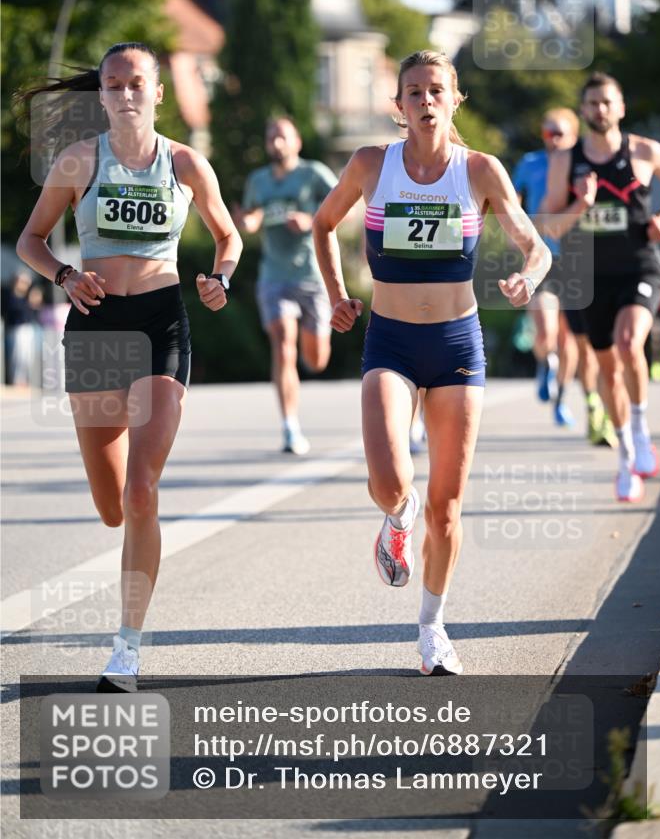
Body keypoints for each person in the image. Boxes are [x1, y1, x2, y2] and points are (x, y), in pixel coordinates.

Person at [313, 50, 551, 675]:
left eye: (435, 91)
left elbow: (536, 246)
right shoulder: (371, 165)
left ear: (455, 100)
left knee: (447, 506)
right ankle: (396, 514)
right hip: (389, 340)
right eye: (413, 92)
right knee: (391, 480)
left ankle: (432, 627)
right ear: (398, 105)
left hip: (456, 345)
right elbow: (322, 226)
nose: (424, 101)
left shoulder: (479, 170)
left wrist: (528, 277)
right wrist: (339, 296)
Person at [16, 41, 242, 690]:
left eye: (136, 82)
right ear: (103, 95)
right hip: (95, 330)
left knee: (143, 489)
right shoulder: (79, 160)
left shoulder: (187, 163)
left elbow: (228, 236)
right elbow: (30, 240)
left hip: (160, 322)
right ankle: (125, 599)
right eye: (113, 84)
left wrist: (221, 279)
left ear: (158, 90)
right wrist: (62, 274)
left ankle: (127, 646)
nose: (124, 93)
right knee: (112, 505)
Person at [541, 72, 660, 502]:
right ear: (583, 110)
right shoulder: (565, 162)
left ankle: (639, 425)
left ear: (621, 107)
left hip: (640, 268)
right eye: (592, 103)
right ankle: (627, 456)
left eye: (607, 102)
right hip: (588, 277)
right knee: (607, 369)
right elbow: (549, 224)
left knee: (629, 343)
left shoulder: (645, 152)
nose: (600, 110)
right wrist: (582, 204)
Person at [234, 116, 337, 455]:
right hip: (274, 277)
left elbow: (346, 206)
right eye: (271, 137)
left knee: (317, 359)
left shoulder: (313, 173)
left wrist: (312, 220)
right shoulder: (258, 180)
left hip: (312, 275)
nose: (276, 143)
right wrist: (248, 222)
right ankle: (290, 427)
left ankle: (312, 357)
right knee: (282, 343)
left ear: (297, 142)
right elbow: (251, 216)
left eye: (282, 137)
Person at [513, 109, 579, 426]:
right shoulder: (529, 162)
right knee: (545, 332)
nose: (552, 139)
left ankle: (562, 397)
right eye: (547, 133)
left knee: (569, 339)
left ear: (573, 136)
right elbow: (510, 201)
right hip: (541, 258)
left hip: (579, 259)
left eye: (559, 133)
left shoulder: (581, 164)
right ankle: (545, 363)